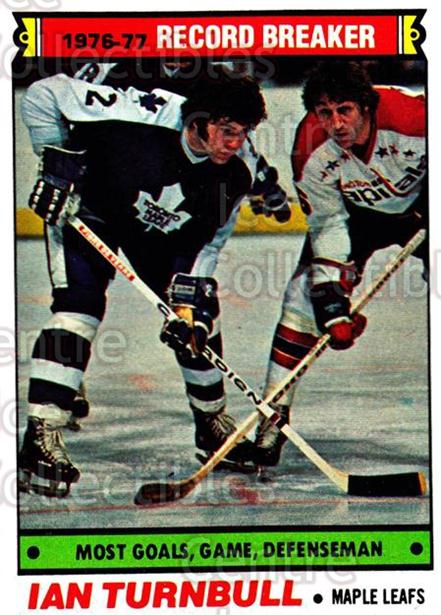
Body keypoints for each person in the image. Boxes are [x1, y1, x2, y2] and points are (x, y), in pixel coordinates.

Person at [18, 67, 283, 495]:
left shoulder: (238, 173)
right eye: (227, 131)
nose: (236, 143)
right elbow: (43, 94)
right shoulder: (143, 112)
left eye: (244, 133)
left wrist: (187, 309)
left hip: (158, 234)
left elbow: (206, 247)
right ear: (197, 120)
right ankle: (41, 435)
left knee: (199, 315)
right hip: (91, 210)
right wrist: (56, 165)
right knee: (79, 307)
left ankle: (211, 423)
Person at [254, 60, 427, 467]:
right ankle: (272, 420)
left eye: (344, 110)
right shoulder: (309, 147)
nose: (335, 124)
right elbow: (328, 222)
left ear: (366, 105)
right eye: (324, 112)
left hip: (423, 207)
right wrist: (332, 300)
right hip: (356, 217)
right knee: (302, 298)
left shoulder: (414, 119)